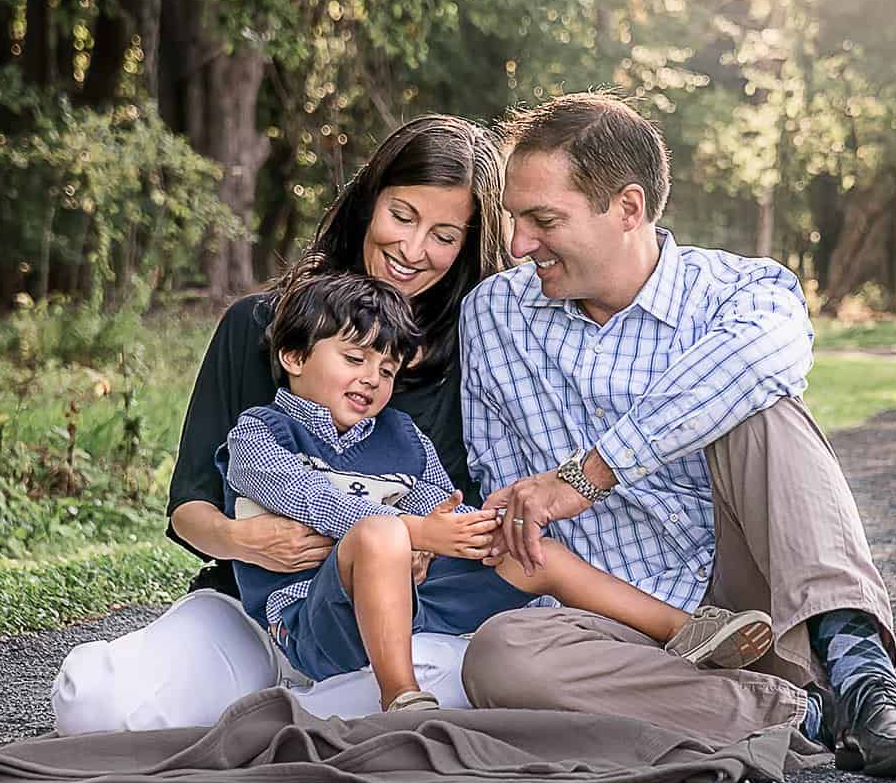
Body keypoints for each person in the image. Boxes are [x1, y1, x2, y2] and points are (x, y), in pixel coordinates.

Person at [456, 93, 896, 777]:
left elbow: (758, 364)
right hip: (621, 624)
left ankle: (862, 676)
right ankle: (813, 715)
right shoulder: (493, 315)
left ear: (629, 208)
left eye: (543, 220)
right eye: (514, 219)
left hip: (761, 602)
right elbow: (521, 525)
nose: (520, 245)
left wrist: (589, 474)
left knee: (765, 409)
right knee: (501, 657)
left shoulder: (743, 290)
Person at [221, 267, 778, 711]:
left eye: (388, 369)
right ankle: (401, 695)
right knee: (376, 534)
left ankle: (686, 630)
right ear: (294, 358)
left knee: (530, 552)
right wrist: (413, 535)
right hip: (313, 620)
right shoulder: (262, 431)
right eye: (354, 358)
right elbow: (303, 496)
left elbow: (437, 502)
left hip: (412, 596)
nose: (372, 378)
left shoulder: (401, 435)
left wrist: (463, 532)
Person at [167, 115, 506, 599]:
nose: (412, 249)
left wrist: (422, 543)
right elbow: (189, 507)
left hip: (399, 617)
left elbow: (459, 513)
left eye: (444, 236)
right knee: (119, 679)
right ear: (369, 203)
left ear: (465, 247)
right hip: (250, 600)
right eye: (402, 216)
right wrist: (241, 541)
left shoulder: (474, 357)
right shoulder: (257, 325)